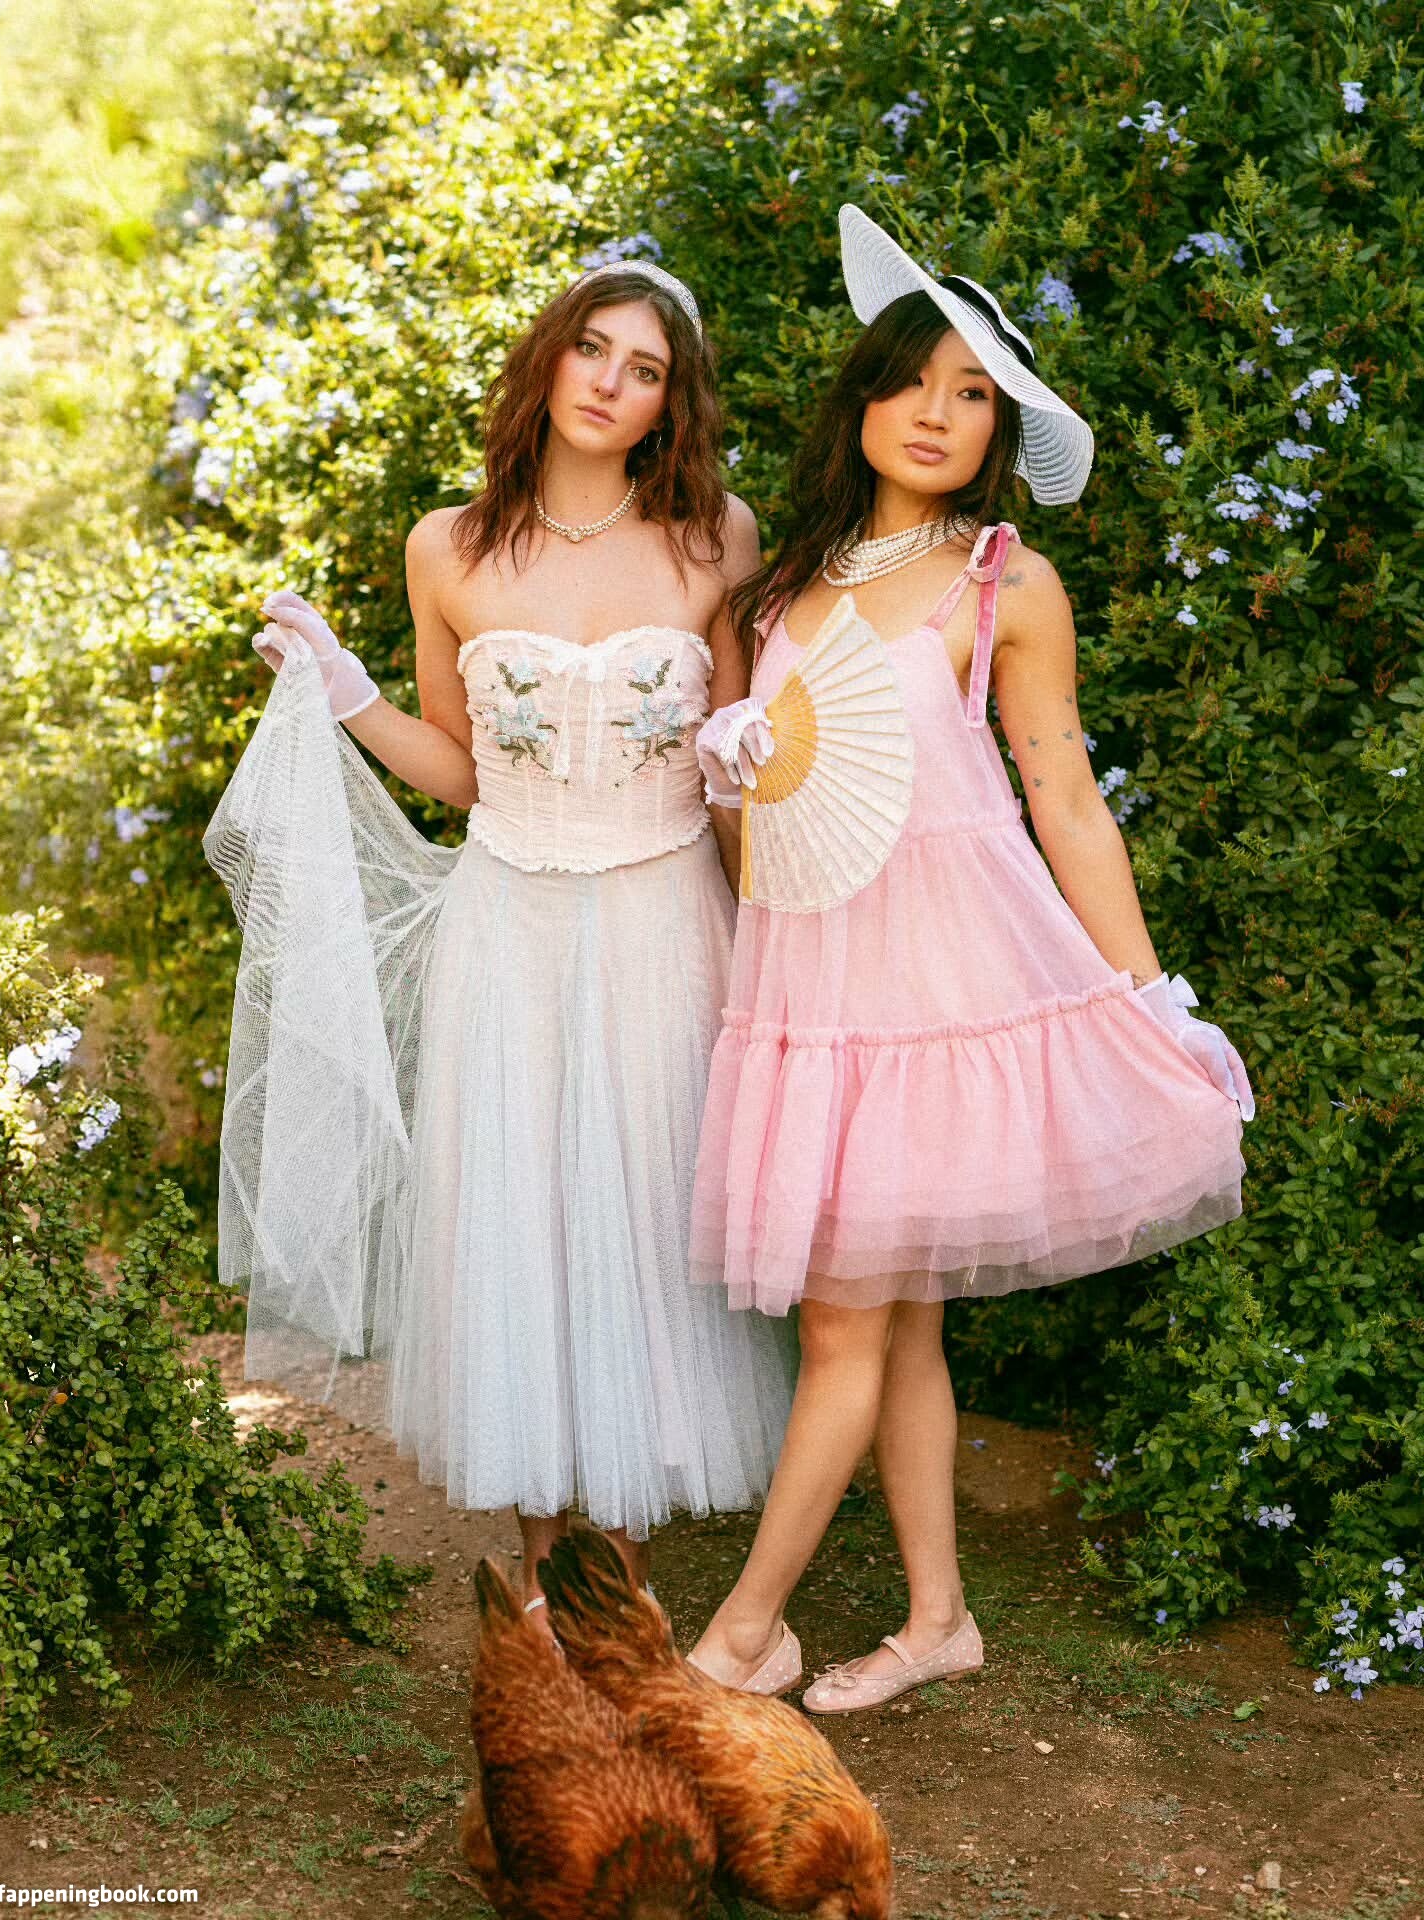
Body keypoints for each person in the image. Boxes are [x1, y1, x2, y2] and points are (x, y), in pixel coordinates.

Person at [685, 206, 1253, 1710]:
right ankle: (939, 1619)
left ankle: (743, 1635)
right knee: (897, 1323)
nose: (938, 414)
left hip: (944, 997)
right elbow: (763, 826)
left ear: (999, 429)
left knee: (845, 1326)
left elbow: (1065, 798)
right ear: (865, 398)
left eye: (975, 394)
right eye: (915, 382)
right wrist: (734, 776)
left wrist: (1150, 998)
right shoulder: (781, 589)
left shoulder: (1003, 581)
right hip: (815, 995)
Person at [205, 259, 795, 1626]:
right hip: (509, 923)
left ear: (670, 406)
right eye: (593, 349)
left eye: (645, 370)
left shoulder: (718, 539)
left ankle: (620, 1577)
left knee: (643, 1222)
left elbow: (739, 770)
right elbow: (463, 773)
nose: (610, 383)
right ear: (549, 359)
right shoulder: (449, 548)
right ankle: (542, 1569)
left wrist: (754, 827)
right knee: (523, 1218)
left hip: (666, 922)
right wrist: (345, 693)